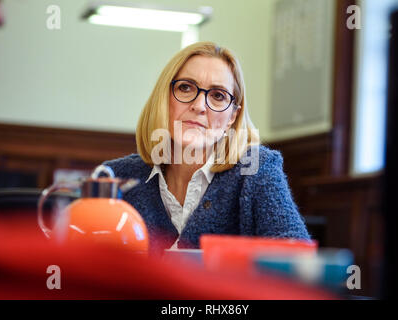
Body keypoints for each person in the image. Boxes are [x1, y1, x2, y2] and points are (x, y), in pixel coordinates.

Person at [104, 42, 310, 252]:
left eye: (218, 95)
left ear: (232, 117)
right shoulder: (116, 177)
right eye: (185, 88)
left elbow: (297, 262)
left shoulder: (256, 169)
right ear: (163, 99)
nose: (199, 106)